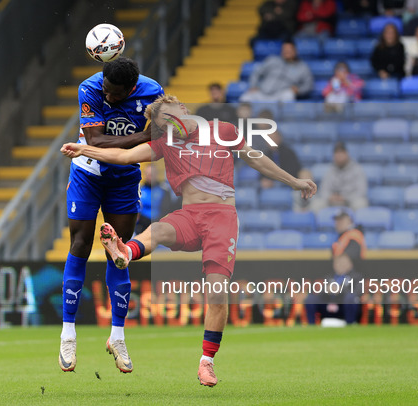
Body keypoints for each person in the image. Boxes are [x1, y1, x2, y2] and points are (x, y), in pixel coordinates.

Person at [61, 95, 317, 386]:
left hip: (221, 218)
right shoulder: (166, 142)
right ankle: (125, 252)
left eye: (170, 117)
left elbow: (256, 159)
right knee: (157, 230)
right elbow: (124, 156)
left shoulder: (224, 131)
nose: (169, 126)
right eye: (163, 124)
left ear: (183, 108)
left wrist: (295, 182)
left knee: (218, 294)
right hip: (190, 215)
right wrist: (85, 148)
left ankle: (206, 362)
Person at [58, 57, 164, 374]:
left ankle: (117, 337)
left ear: (130, 89)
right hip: (86, 174)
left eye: (115, 93)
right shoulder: (90, 87)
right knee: (79, 243)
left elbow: (160, 139)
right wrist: (144, 136)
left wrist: (144, 140)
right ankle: (68, 335)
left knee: (119, 250)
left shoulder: (153, 92)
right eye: (105, 88)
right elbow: (95, 141)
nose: (107, 96)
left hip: (124, 180)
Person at [240, 40, 314, 103]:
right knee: (245, 98)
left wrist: (298, 90)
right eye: (284, 50)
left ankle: (283, 120)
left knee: (289, 95)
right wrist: (253, 86)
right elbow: (256, 73)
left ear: (295, 51)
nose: (286, 52)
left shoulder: (302, 67)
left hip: (280, 95)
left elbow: (308, 85)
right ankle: (244, 120)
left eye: (289, 50)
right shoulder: (272, 60)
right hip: (262, 93)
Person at [304, 252, 362, 325]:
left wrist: (341, 290)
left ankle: (350, 324)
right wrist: (326, 290)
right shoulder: (329, 277)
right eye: (338, 263)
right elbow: (319, 293)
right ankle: (311, 325)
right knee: (311, 299)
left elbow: (358, 292)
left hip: (343, 305)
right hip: (329, 304)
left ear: (350, 264)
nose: (341, 265)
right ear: (334, 265)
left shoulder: (356, 277)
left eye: (343, 263)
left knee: (350, 298)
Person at [310, 142, 368, 212]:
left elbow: (361, 191)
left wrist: (345, 198)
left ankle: (354, 223)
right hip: (332, 201)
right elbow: (324, 190)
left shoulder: (357, 169)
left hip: (349, 201)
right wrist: (330, 197)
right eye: (336, 153)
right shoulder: (330, 170)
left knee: (360, 203)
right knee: (316, 204)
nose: (339, 156)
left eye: (341, 153)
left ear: (347, 154)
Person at [135, 164, 164, 234]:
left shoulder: (164, 191)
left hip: (158, 228)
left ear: (156, 174)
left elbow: (167, 211)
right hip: (141, 228)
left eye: (152, 174)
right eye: (148, 174)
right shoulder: (139, 190)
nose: (150, 177)